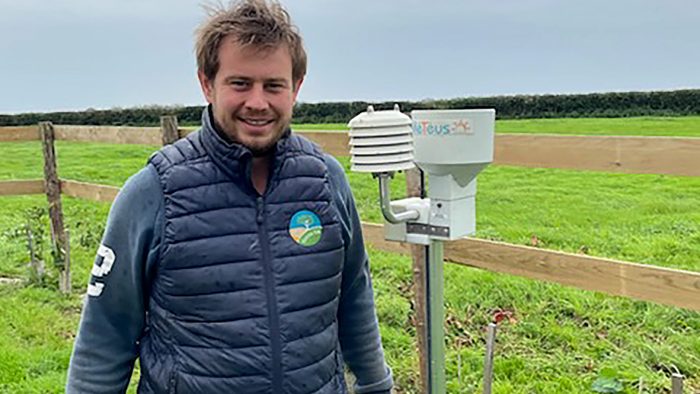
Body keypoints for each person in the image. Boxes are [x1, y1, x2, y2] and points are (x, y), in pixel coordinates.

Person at [65, 1, 393, 393]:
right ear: (207, 83)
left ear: (297, 87)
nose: (258, 102)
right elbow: (105, 334)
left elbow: (354, 295)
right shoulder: (154, 193)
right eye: (240, 83)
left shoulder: (325, 181)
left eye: (274, 85)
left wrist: (376, 384)